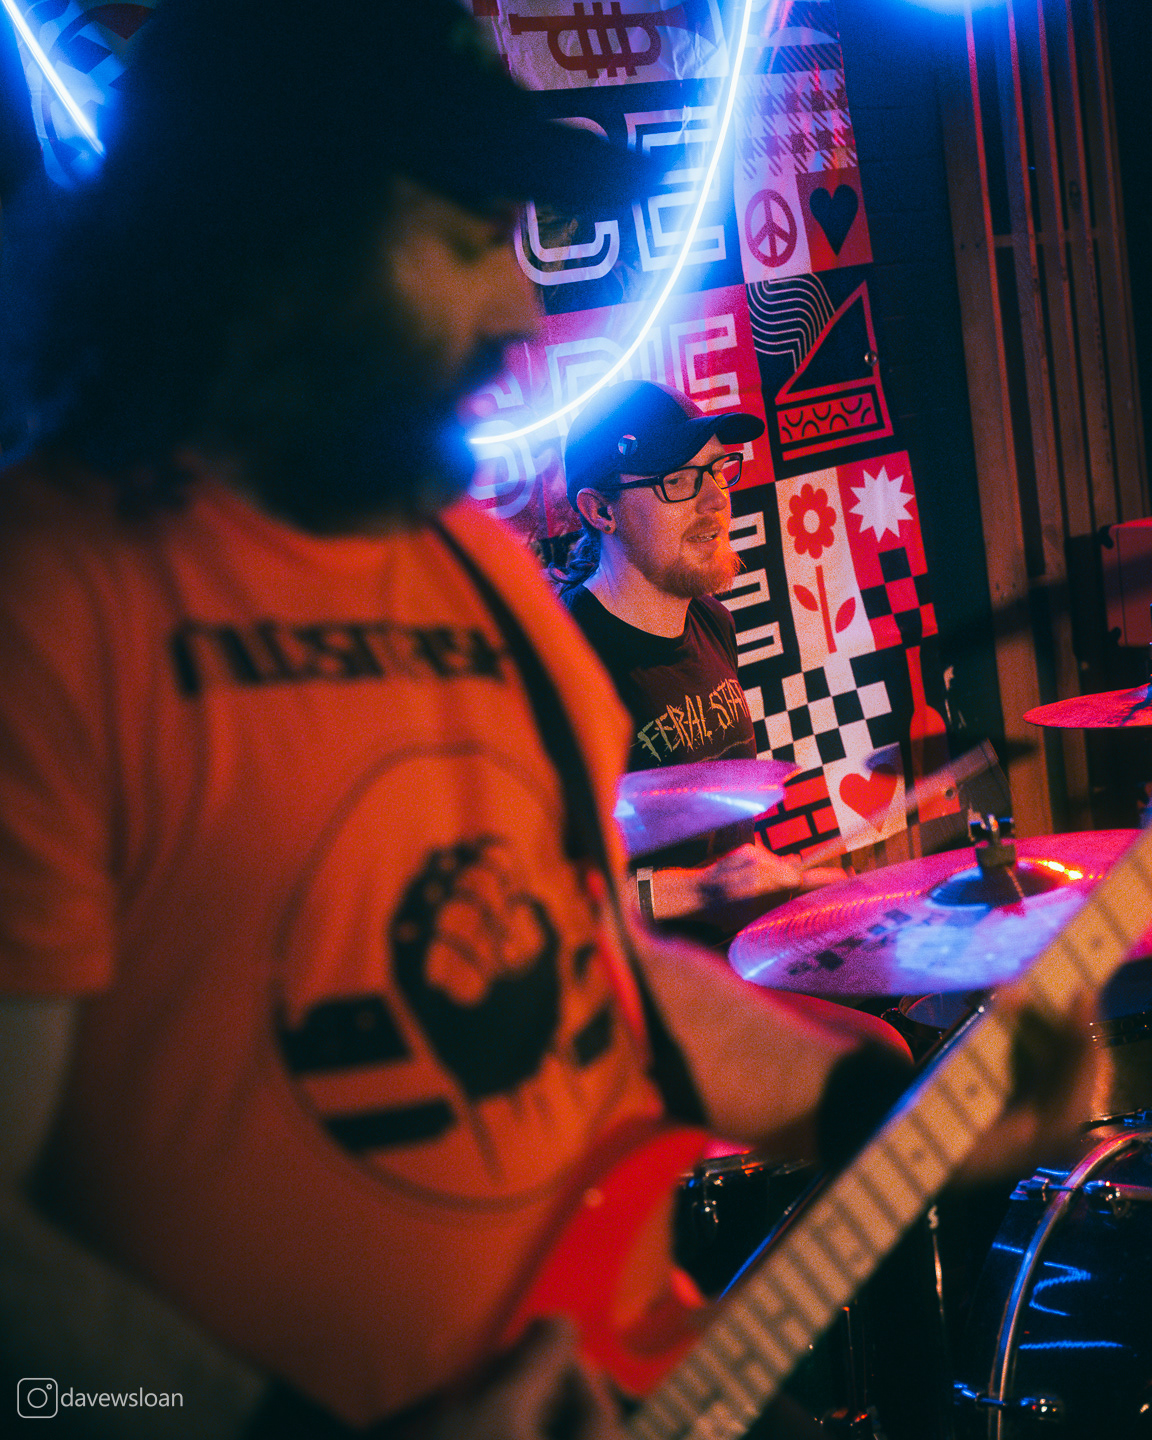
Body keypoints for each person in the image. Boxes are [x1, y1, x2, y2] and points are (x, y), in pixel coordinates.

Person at [0, 4, 1102, 1438]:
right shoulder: (49, 603)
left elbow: (595, 974)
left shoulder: (474, 577)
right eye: (475, 236)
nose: (523, 314)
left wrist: (892, 1113)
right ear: (284, 234)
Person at [557, 381, 840, 932]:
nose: (715, 499)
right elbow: (551, 894)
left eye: (716, 470)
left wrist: (758, 882)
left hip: (735, 953)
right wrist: (703, 887)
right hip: (641, 976)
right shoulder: (564, 663)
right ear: (600, 510)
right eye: (678, 480)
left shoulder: (711, 619)